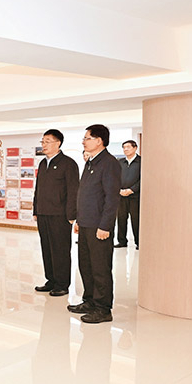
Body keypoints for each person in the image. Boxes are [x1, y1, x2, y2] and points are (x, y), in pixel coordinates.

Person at [68, 124, 121, 324]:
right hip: (86, 223)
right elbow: (86, 195)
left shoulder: (109, 163)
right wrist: (79, 220)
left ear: (99, 140)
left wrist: (105, 226)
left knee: (100, 268)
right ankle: (89, 301)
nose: (83, 141)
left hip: (100, 226)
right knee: (86, 265)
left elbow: (111, 198)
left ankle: (103, 309)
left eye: (87, 138)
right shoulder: (91, 162)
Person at [33, 129, 79, 297]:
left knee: (60, 249)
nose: (43, 145)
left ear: (58, 143)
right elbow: (38, 189)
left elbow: (73, 190)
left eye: (47, 141)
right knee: (46, 248)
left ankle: (62, 284)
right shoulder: (42, 163)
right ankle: (51, 280)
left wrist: (72, 215)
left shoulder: (68, 163)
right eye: (42, 141)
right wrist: (36, 209)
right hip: (43, 213)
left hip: (60, 215)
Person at [115, 140, 141, 250]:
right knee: (121, 219)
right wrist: (119, 190)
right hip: (121, 195)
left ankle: (139, 242)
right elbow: (115, 177)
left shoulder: (141, 162)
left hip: (135, 196)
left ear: (135, 148)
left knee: (136, 220)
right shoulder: (120, 162)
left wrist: (132, 190)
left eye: (128, 147)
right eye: (124, 147)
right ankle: (122, 241)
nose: (125, 149)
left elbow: (143, 179)